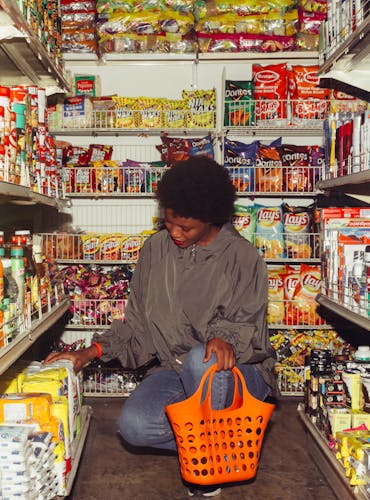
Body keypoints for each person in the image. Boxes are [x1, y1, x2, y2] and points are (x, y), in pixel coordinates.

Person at [45, 156, 277, 498]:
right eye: (169, 223)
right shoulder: (154, 250)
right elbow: (137, 324)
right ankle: (220, 450)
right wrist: (89, 352)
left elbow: (246, 324)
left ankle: (208, 472)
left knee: (204, 358)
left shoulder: (243, 257)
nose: (175, 233)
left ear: (212, 220)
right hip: (175, 368)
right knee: (134, 427)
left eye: (187, 227)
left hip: (237, 373)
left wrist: (225, 339)